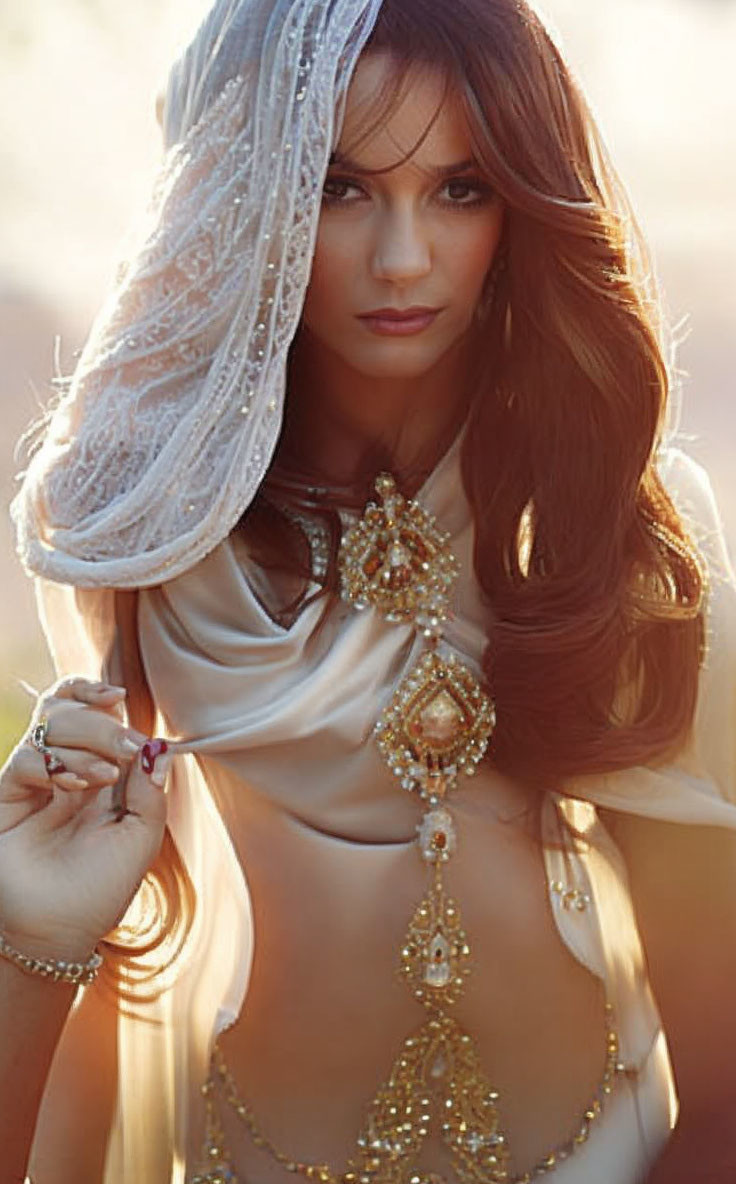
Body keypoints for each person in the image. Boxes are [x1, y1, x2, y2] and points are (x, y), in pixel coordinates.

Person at [2, 0, 736, 1180]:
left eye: (460, 189)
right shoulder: (156, 548)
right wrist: (30, 932)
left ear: (521, 205)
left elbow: (723, 1078)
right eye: (341, 187)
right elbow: (116, 988)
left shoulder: (609, 534)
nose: (403, 259)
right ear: (249, 191)